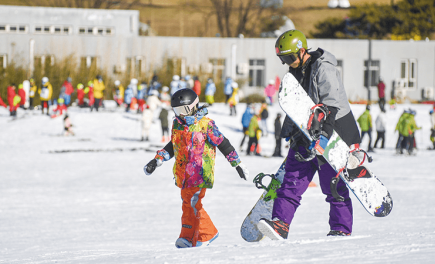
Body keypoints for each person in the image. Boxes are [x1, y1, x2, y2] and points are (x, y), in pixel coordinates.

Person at [258, 29, 361, 240]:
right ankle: (280, 224)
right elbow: (296, 106)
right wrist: (290, 132)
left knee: (333, 186)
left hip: (333, 136)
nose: (287, 62)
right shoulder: (293, 72)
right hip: (305, 136)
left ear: (302, 51)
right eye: (282, 59)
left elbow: (331, 105)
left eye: (288, 57)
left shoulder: (324, 69)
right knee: (291, 182)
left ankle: (341, 228)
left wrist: (324, 136)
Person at [143, 88, 249, 248]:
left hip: (200, 173)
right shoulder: (177, 125)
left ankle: (207, 234)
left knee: (193, 203)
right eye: (177, 111)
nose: (181, 115)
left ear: (193, 107)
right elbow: (173, 145)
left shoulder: (206, 125)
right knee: (187, 204)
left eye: (183, 110)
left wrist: (237, 164)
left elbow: (223, 143)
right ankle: (188, 237)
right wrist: (157, 160)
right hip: (183, 175)